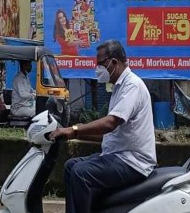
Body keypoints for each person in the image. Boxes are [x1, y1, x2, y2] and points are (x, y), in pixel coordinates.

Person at [51, 40, 156, 213]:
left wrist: (73, 129)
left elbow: (110, 123)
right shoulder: (118, 88)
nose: (97, 69)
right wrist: (72, 134)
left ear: (114, 62)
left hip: (133, 161)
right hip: (118, 156)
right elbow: (109, 133)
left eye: (100, 64)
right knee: (71, 166)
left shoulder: (132, 86)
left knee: (81, 173)